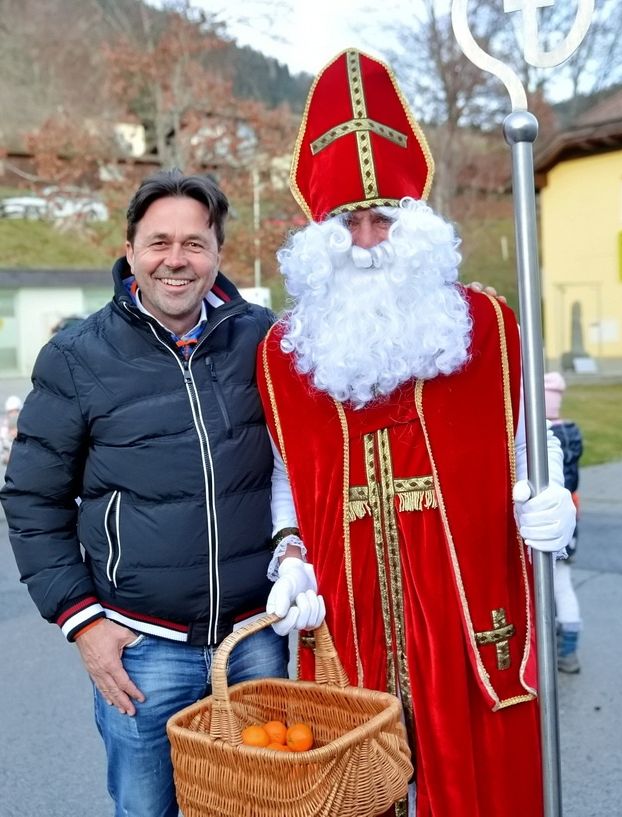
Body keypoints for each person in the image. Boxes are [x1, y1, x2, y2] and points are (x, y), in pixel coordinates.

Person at [258, 49, 576, 817]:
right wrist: (290, 552)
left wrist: (555, 496)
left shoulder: (488, 326)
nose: (368, 239)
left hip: (468, 612)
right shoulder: (285, 354)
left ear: (417, 222)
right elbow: (285, 473)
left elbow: (532, 438)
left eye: (383, 218)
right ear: (320, 236)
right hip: (352, 615)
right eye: (349, 222)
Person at [0, 169, 323, 817]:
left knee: (265, 806)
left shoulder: (264, 340)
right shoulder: (76, 356)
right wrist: (83, 622)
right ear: (130, 250)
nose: (176, 259)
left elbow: (322, 436)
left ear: (217, 254)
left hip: (255, 638)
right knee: (147, 808)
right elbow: (33, 499)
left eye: (195, 243)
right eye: (158, 242)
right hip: (141, 651)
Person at [543, 370, 583, 674]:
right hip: (571, 523)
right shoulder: (572, 433)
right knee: (562, 584)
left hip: (547, 523)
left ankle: (564, 649)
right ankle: (568, 644)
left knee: (556, 585)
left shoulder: (545, 439)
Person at [0, 394, 22, 464]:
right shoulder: (3, 431)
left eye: (16, 411)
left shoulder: (26, 426)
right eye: (11, 412)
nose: (13, 414)